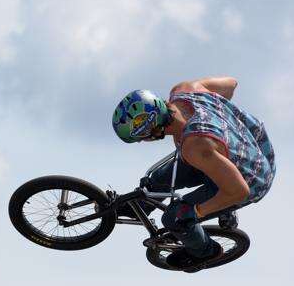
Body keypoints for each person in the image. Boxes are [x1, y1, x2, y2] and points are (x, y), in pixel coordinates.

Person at [111, 78, 275, 271]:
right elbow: (231, 84)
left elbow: (240, 191)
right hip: (249, 146)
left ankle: (206, 251)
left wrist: (197, 212)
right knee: (159, 179)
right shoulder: (185, 90)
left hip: (252, 177)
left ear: (152, 129)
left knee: (175, 217)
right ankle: (139, 209)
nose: (141, 142)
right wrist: (218, 118)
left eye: (140, 138)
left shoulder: (195, 147)